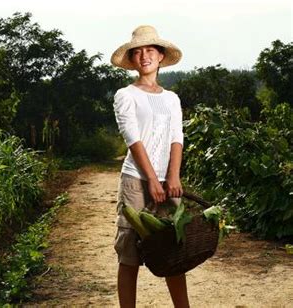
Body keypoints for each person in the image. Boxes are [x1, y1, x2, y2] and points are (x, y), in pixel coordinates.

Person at [110, 25, 189, 307]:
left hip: (168, 183)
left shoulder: (172, 99)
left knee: (174, 252)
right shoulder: (125, 94)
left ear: (160, 56)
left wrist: (172, 176)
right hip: (135, 182)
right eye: (138, 51)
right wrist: (152, 181)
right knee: (129, 254)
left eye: (150, 50)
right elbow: (133, 137)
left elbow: (176, 138)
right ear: (132, 59)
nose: (144, 56)